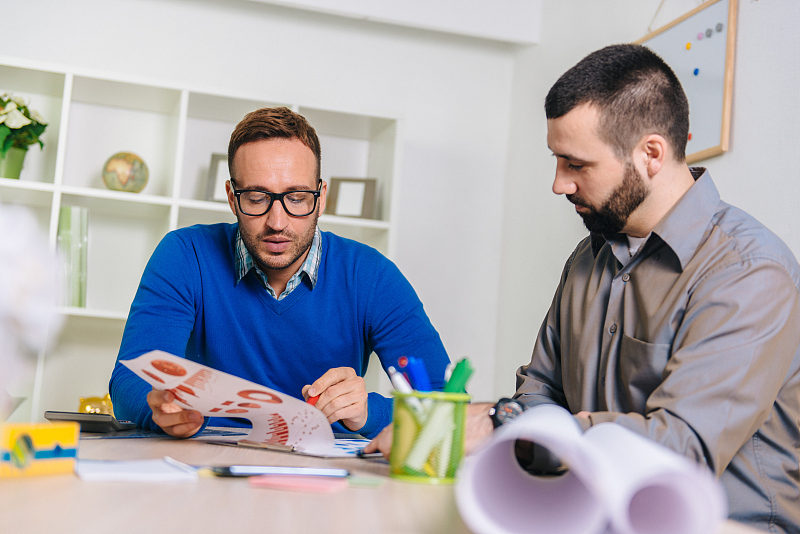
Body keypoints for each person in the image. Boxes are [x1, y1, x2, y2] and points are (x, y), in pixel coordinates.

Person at [366, 44, 800, 532]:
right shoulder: (588, 258)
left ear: (651, 154)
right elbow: (538, 392)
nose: (559, 184)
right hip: (584, 515)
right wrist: (501, 420)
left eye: (576, 164)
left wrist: (513, 426)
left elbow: (682, 448)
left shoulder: (749, 272)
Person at [109, 107, 450, 440]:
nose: (277, 222)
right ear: (231, 197)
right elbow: (130, 378)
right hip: (207, 465)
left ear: (321, 198)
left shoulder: (372, 276)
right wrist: (161, 409)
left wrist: (366, 413)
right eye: (257, 198)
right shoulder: (186, 255)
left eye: (297, 198)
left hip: (323, 479)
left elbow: (444, 403)